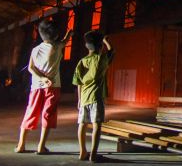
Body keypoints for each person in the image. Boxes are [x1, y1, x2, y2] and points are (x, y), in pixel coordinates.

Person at [15, 19, 72, 154]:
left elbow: (30, 68)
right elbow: (65, 41)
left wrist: (41, 78)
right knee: (48, 115)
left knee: (30, 113)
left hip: (36, 87)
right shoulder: (56, 47)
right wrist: (69, 34)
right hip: (53, 87)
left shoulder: (35, 50)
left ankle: (21, 145)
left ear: (41, 34)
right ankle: (41, 147)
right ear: (56, 35)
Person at [73, 31, 114, 162]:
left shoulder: (81, 62)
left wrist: (79, 99)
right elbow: (111, 52)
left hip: (84, 98)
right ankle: (93, 155)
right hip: (96, 98)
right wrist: (106, 42)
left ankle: (82, 152)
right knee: (97, 125)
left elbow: (78, 82)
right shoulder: (101, 59)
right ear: (100, 46)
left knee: (82, 124)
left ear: (86, 45)